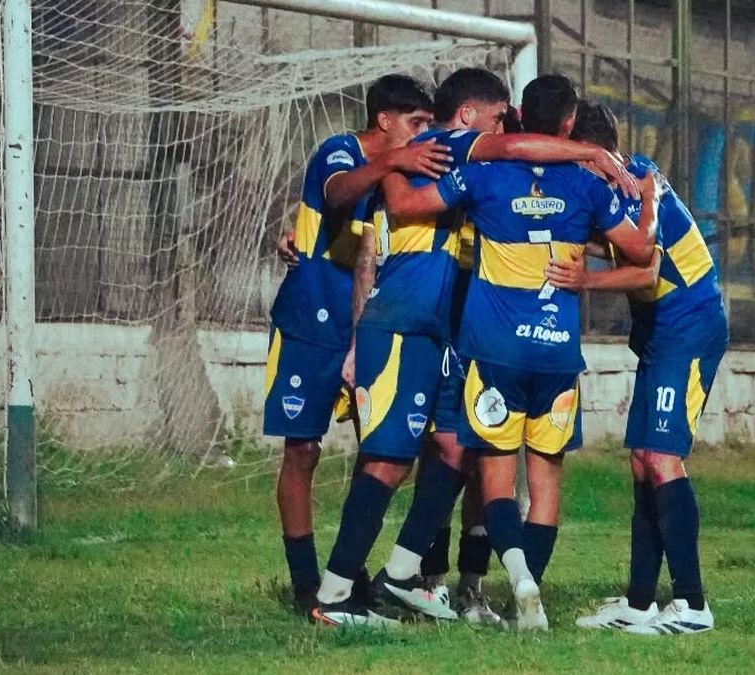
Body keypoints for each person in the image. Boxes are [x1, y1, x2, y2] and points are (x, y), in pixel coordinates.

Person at [311, 68, 638, 627]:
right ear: (468, 117)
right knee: (388, 460)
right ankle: (335, 595)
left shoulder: (441, 160)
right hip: (403, 319)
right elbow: (507, 150)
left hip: (446, 328)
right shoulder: (442, 145)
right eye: (497, 116)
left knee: (456, 451)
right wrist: (593, 154)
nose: (504, 126)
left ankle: (400, 576)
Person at [266, 74, 447, 613]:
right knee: (302, 450)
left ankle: (352, 573)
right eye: (415, 122)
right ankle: (306, 583)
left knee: (383, 452)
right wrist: (394, 161)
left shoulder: (405, 176)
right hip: (310, 321)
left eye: (428, 123)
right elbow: (336, 193)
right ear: (384, 120)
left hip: (370, 325)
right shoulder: (341, 151)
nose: (422, 133)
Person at [549, 102, 726, 635]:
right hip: (662, 334)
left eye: (576, 160)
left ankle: (692, 605)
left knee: (662, 458)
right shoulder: (630, 182)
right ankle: (640, 602)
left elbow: (647, 273)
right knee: (641, 461)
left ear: (596, 157)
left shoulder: (636, 189)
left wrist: (584, 279)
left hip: (689, 327)